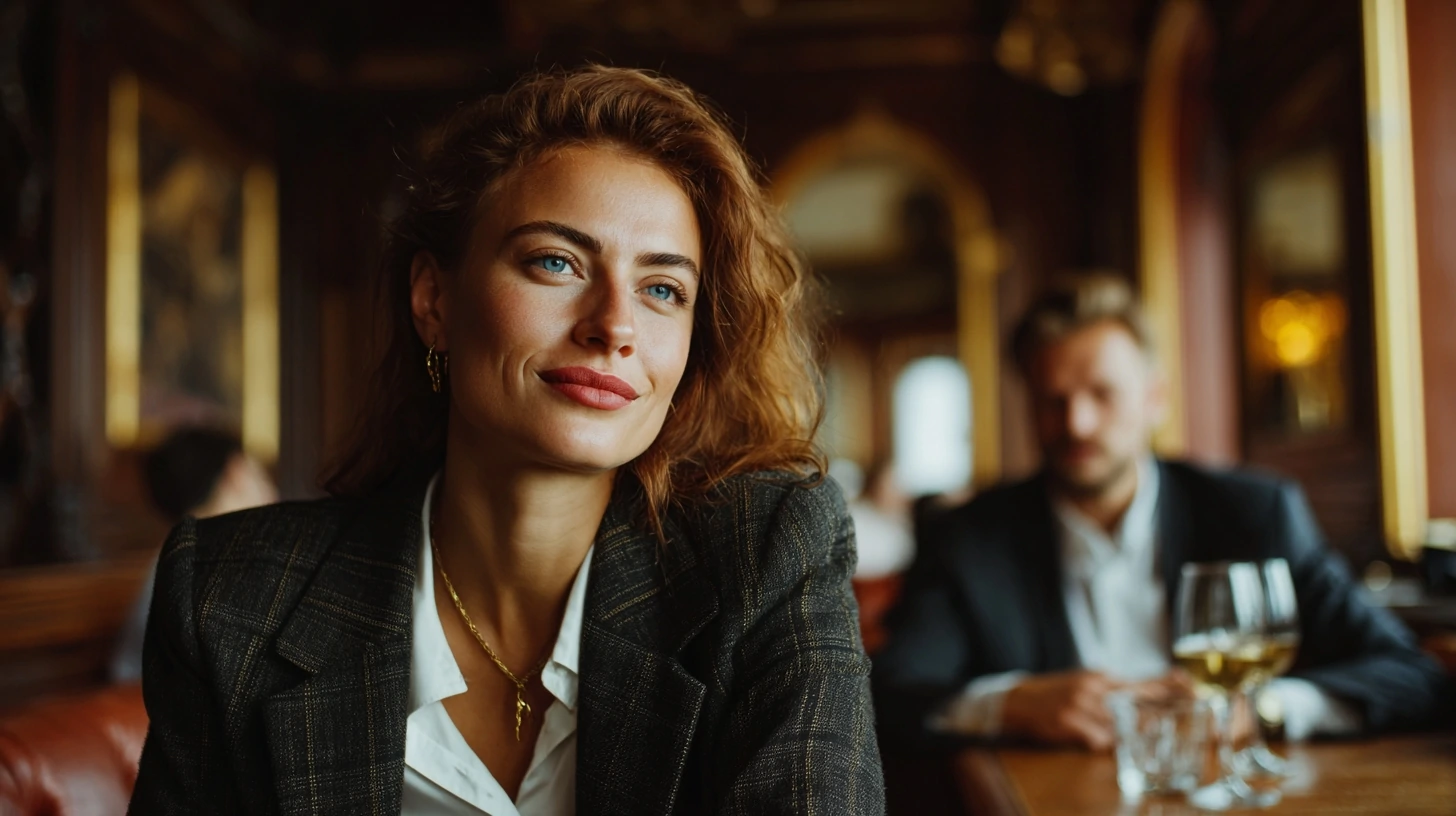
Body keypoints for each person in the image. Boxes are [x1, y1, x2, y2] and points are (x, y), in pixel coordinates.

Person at [130, 66, 884, 814]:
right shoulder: (228, 594)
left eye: (663, 289)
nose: (614, 326)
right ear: (434, 299)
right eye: (555, 262)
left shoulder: (767, 557)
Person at [872, 274, 1448, 751]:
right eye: (1054, 401)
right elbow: (894, 694)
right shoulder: (970, 537)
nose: (1077, 424)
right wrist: (1011, 704)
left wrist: (1260, 710)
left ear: (1155, 398)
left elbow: (1411, 675)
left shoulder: (1254, 513)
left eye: (1102, 394)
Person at [111, 426, 277, 681]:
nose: (270, 487)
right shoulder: (218, 564)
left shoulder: (176, 556)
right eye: (260, 472)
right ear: (236, 473)